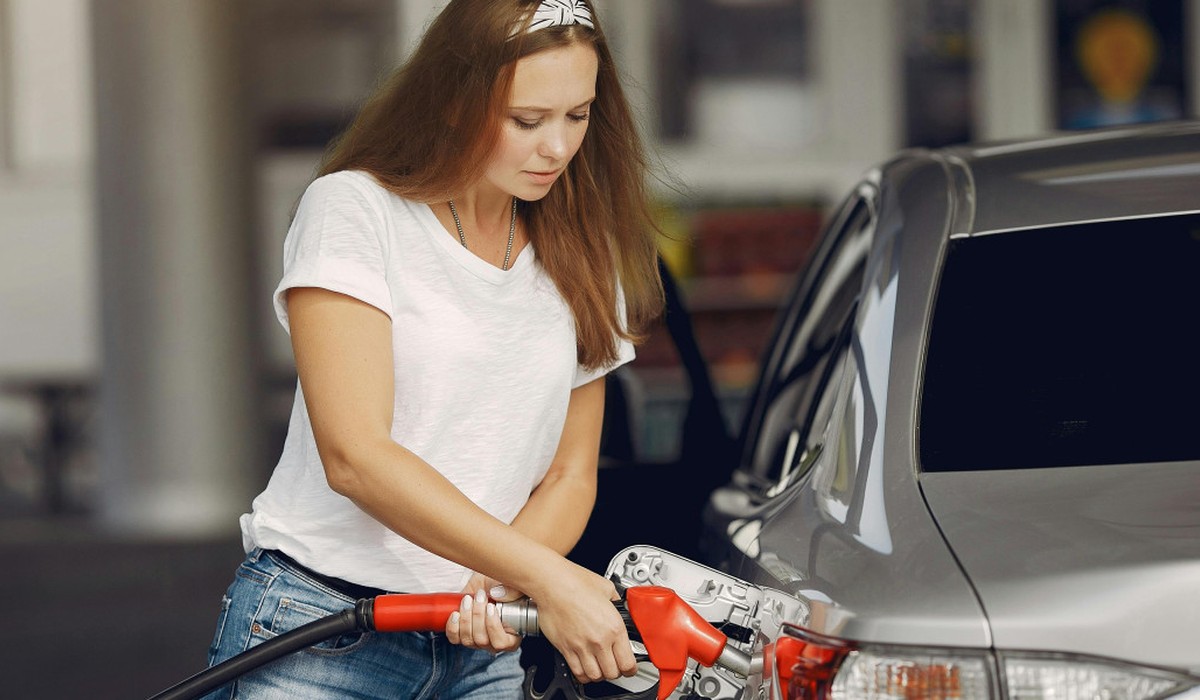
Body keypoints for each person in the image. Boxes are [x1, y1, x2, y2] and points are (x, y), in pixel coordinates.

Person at [202, 0, 664, 697]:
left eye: (579, 115)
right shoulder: (357, 210)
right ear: (453, 100)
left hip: (484, 646)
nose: (558, 148)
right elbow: (355, 456)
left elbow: (571, 475)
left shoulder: (583, 248)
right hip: (322, 630)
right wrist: (546, 576)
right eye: (528, 120)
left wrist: (508, 578)